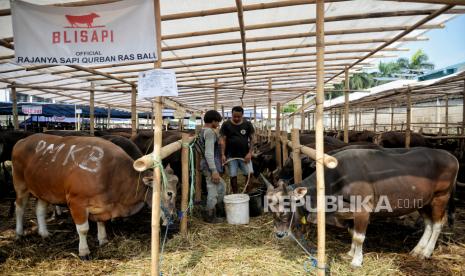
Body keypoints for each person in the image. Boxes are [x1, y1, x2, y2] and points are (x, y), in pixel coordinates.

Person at [220, 106, 255, 193]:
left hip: (244, 155)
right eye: (234, 116)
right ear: (232, 114)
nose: (236, 118)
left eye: (238, 116)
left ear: (242, 115)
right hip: (231, 155)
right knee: (233, 175)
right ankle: (235, 194)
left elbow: (253, 139)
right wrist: (223, 154)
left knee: (249, 174)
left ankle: (248, 193)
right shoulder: (226, 124)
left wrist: (250, 153)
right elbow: (223, 140)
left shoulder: (247, 124)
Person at [199, 110, 225, 223]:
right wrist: (214, 170)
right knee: (213, 189)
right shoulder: (209, 132)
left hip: (208, 164)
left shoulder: (203, 130)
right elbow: (209, 153)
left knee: (221, 186)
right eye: (218, 122)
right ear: (213, 121)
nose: (218, 124)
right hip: (210, 165)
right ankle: (210, 216)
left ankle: (216, 211)